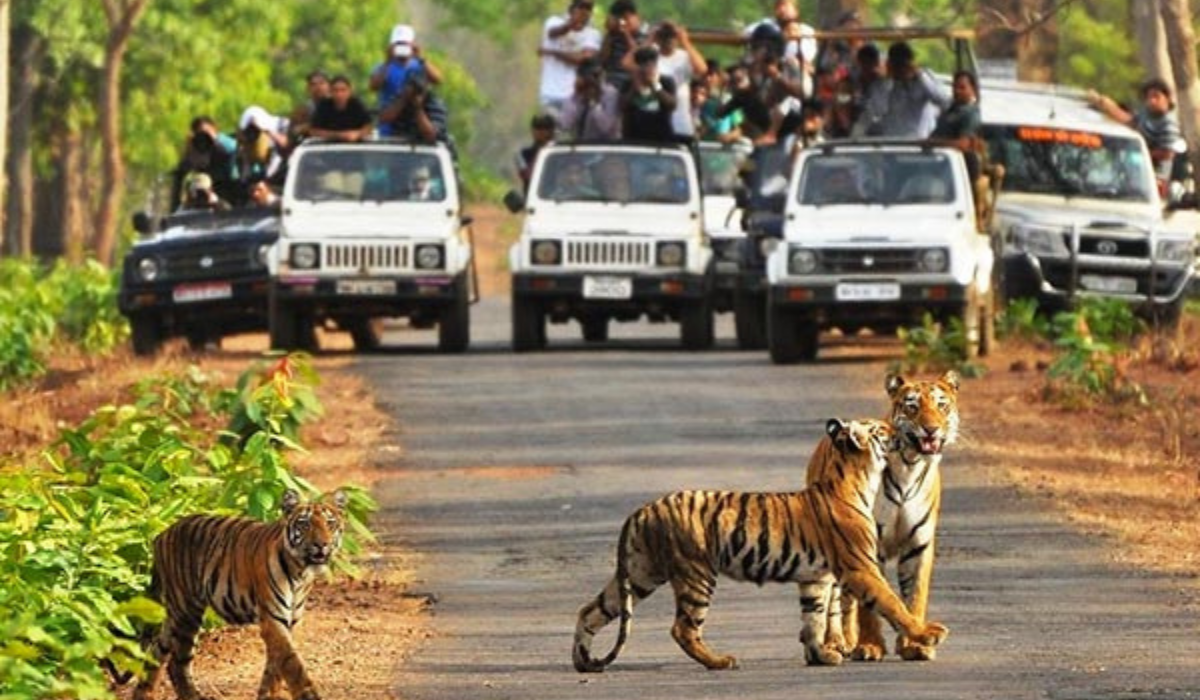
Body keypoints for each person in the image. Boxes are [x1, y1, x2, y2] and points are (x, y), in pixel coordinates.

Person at [1088, 78, 1185, 186]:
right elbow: (1131, 122)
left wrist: (1139, 152)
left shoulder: (1169, 122)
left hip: (1155, 176)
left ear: (1167, 98)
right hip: (1134, 170)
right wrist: (1107, 105)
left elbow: (1167, 153)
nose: (1152, 101)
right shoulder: (1147, 113)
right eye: (1149, 97)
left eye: (1156, 96)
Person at [855, 41, 950, 139]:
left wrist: (920, 76)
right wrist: (888, 78)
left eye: (902, 65)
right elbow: (874, 111)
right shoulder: (884, 85)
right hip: (891, 141)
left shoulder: (923, 81)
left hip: (919, 142)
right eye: (896, 65)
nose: (900, 70)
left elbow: (944, 101)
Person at [370, 24, 444, 136]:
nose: (402, 48)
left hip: (416, 123)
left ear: (412, 45)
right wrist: (387, 61)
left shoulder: (420, 66)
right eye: (398, 45)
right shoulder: (383, 67)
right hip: (388, 125)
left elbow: (438, 80)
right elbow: (373, 86)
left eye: (405, 45)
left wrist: (420, 58)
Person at [538, 0, 603, 124]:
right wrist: (571, 24)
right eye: (581, 6)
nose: (585, 11)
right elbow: (553, 33)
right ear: (572, 7)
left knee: (569, 134)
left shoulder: (593, 33)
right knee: (548, 133)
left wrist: (552, 52)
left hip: (574, 98)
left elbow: (581, 59)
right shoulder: (553, 21)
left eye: (589, 8)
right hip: (549, 94)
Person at [651, 21, 708, 141]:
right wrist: (650, 39)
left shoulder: (684, 56)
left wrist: (685, 41)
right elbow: (628, 63)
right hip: (654, 119)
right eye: (664, 36)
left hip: (680, 120)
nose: (668, 39)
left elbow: (702, 69)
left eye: (672, 35)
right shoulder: (651, 54)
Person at [171, 115, 239, 210]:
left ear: (216, 131)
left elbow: (235, 184)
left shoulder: (229, 150)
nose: (205, 140)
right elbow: (179, 181)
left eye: (207, 135)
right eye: (200, 137)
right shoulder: (195, 153)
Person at [620, 46, 678, 142]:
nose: (646, 69)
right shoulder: (629, 83)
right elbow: (622, 107)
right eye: (643, 65)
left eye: (650, 65)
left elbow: (672, 105)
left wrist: (655, 85)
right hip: (634, 136)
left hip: (661, 137)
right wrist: (634, 88)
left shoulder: (666, 81)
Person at [559, 57, 622, 141]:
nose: (594, 80)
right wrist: (576, 95)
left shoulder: (610, 94)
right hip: (582, 143)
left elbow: (606, 126)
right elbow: (566, 124)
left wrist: (594, 103)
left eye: (597, 75)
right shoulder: (577, 95)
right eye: (592, 75)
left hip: (606, 145)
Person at [379, 73, 451, 144]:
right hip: (401, 145)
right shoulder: (399, 99)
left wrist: (417, 108)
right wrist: (403, 99)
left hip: (430, 147)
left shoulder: (435, 104)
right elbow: (382, 119)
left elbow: (431, 136)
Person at [598, 0, 646, 90]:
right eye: (621, 19)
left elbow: (639, 56)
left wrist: (626, 34)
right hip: (612, 82)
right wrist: (609, 32)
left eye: (627, 18)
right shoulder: (613, 37)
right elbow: (603, 60)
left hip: (633, 84)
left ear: (637, 17)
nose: (625, 22)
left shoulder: (643, 38)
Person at [309, 75, 374, 142]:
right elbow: (313, 130)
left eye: (343, 90)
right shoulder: (324, 105)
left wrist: (358, 134)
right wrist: (340, 136)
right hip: (327, 145)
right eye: (335, 90)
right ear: (330, 92)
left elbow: (369, 126)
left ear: (349, 91)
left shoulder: (356, 104)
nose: (339, 94)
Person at [236, 106, 290, 186]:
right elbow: (245, 173)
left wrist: (267, 131)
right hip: (267, 177)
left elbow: (286, 146)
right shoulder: (249, 140)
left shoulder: (282, 125)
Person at [516, 114, 557, 193]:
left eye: (546, 128)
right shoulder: (524, 154)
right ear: (532, 130)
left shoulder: (559, 154)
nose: (541, 131)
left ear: (551, 131)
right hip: (534, 197)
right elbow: (528, 176)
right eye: (538, 127)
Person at [289, 70, 331, 143]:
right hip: (312, 147)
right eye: (313, 84)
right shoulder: (301, 111)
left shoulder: (340, 107)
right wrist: (305, 128)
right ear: (308, 88)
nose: (318, 87)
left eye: (322, 83)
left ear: (329, 86)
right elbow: (291, 135)